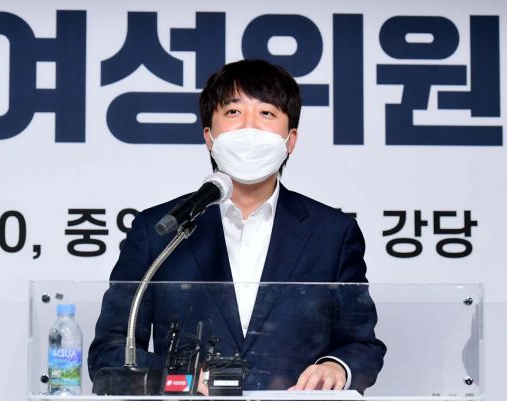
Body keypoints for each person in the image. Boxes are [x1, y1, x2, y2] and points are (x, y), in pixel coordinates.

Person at [88, 59, 386, 394]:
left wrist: (337, 367)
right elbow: (110, 352)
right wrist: (181, 381)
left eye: (266, 113)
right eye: (233, 112)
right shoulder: (160, 229)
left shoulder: (332, 233)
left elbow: (362, 345)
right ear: (209, 136)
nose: (249, 127)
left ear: (291, 140)